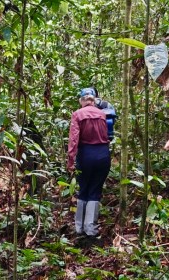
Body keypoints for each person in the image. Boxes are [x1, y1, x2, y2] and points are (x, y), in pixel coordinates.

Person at [67, 92, 111, 237]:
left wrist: (71, 160)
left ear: (82, 102)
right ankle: (90, 228)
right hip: (103, 154)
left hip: (86, 154)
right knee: (95, 189)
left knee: (83, 188)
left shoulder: (77, 114)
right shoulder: (102, 114)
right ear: (93, 102)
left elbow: (74, 140)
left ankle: (79, 227)